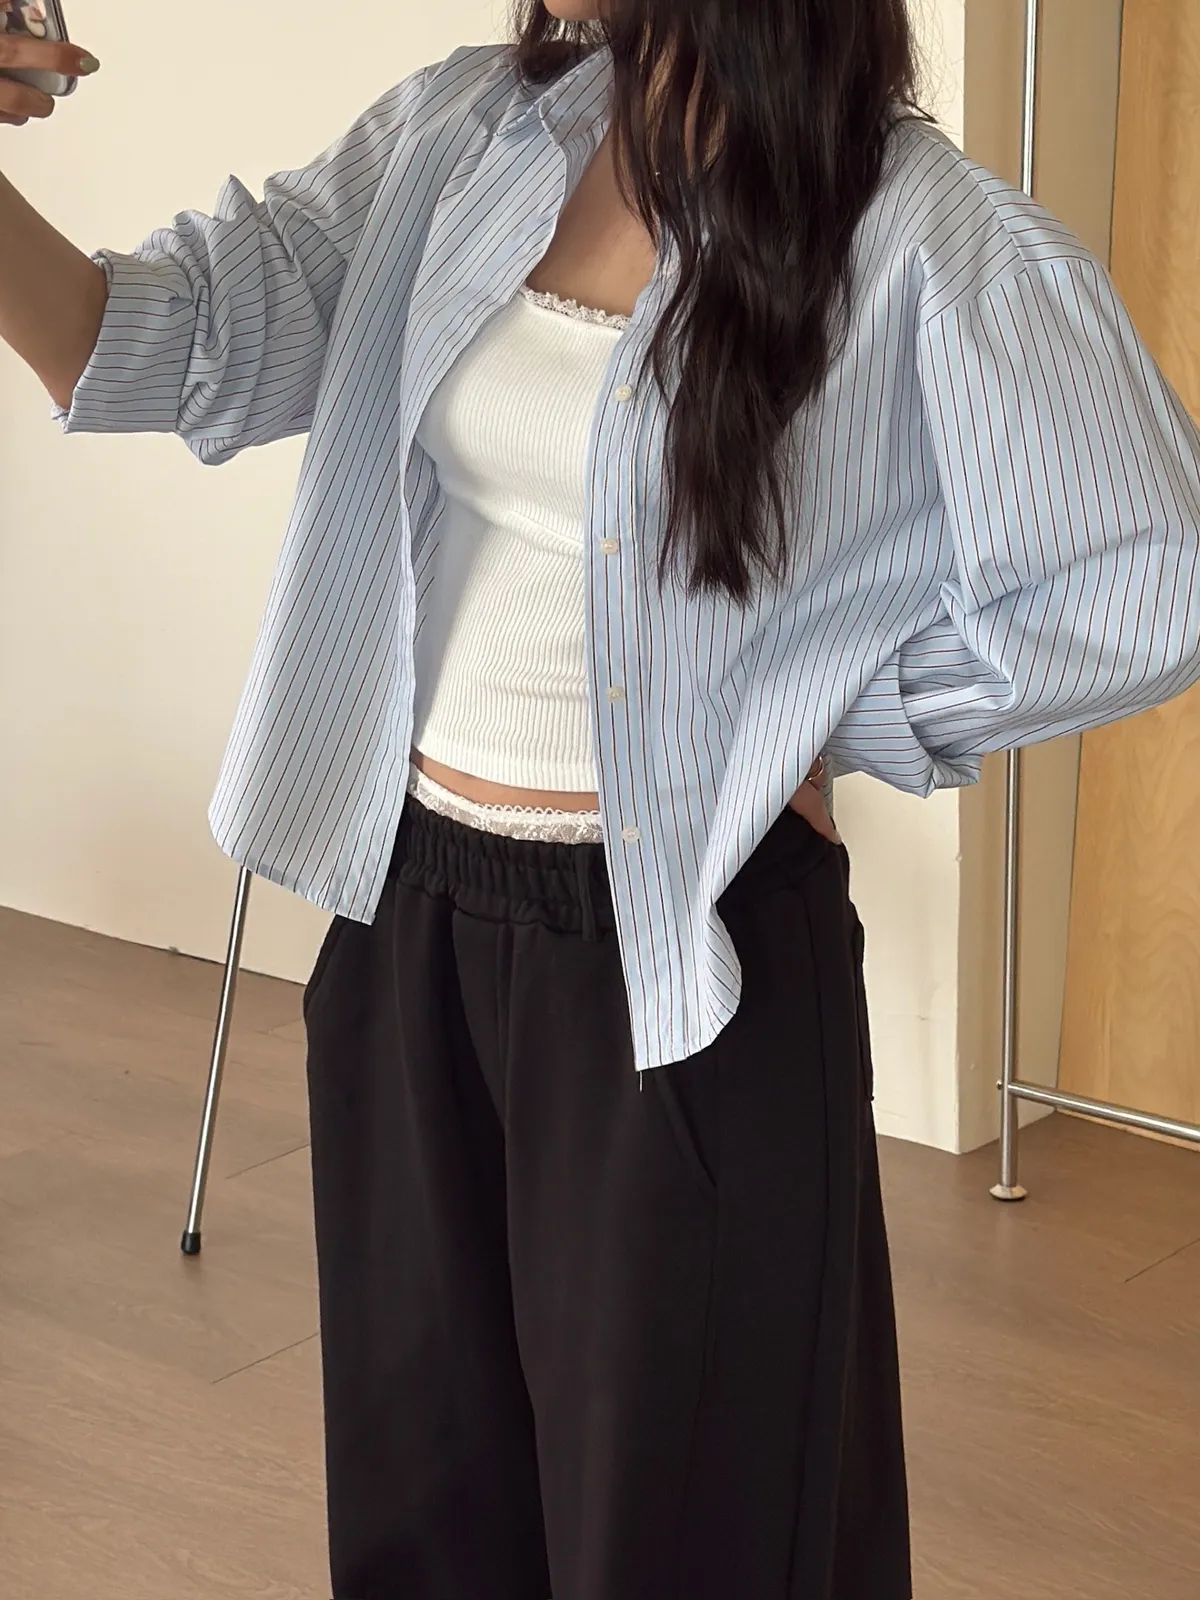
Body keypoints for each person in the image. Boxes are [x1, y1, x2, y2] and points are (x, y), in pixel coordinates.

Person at [3, 4, 1200, 1596]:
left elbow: (1147, 579)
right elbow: (153, 343)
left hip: (689, 962)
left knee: (691, 1527)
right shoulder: (460, 138)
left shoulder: (921, 232)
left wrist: (839, 713)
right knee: (426, 1504)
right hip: (411, 909)